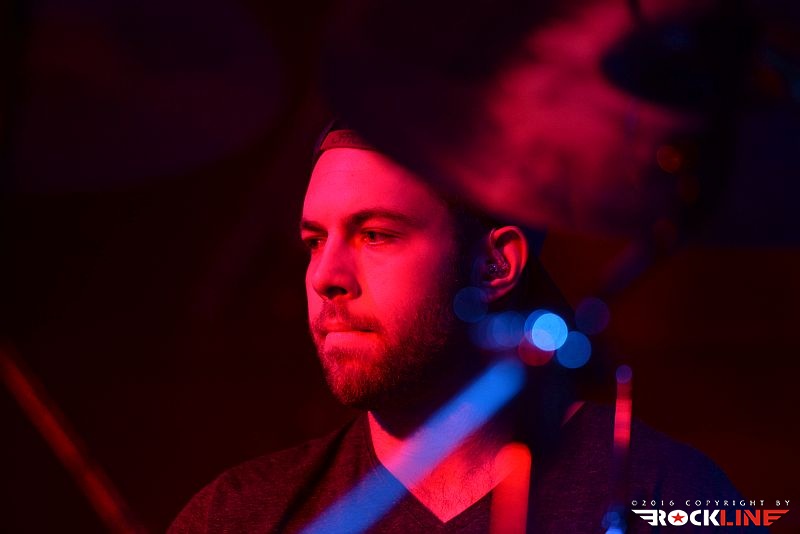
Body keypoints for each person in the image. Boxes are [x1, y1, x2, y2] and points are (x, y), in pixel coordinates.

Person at [169, 126, 766, 533]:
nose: (326, 276)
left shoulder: (671, 495)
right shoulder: (239, 516)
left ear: (495, 265)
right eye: (314, 241)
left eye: (375, 235)